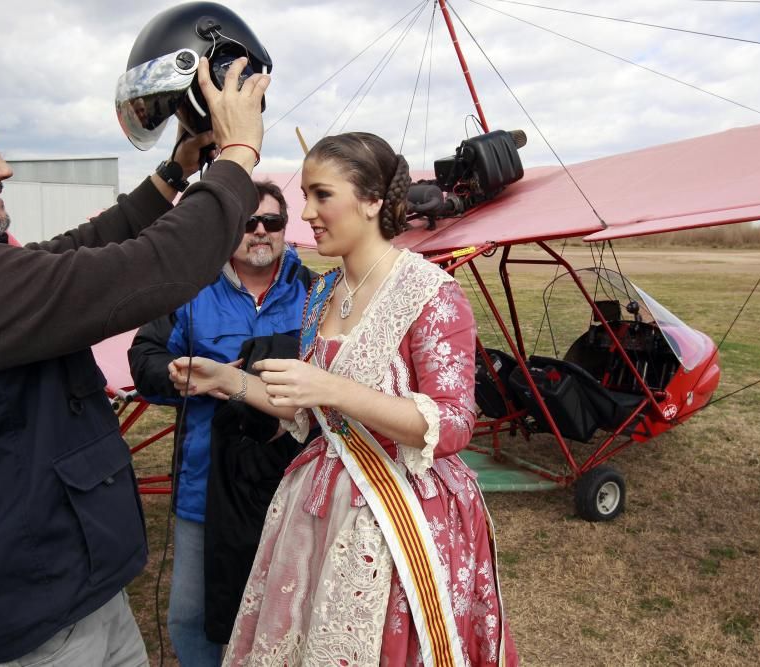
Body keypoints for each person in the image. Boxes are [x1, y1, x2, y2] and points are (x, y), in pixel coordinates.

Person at [0, 55, 268, 667]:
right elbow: (152, 270)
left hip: (53, 591)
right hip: (32, 622)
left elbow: (72, 254)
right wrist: (236, 157)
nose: (5, 167)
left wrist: (175, 174)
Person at [169, 132, 518, 666]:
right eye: (306, 196)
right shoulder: (322, 296)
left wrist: (335, 388)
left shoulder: (431, 294)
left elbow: (452, 425)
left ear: (373, 200)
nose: (306, 212)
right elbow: (307, 409)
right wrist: (225, 378)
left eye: (321, 195)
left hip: (403, 513)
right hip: (324, 503)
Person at [127, 180, 312, 664]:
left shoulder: (314, 293)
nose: (259, 232)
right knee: (190, 614)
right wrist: (177, 376)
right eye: (247, 223)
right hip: (203, 482)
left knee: (292, 605)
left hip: (291, 481)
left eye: (271, 222)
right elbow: (143, 356)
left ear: (284, 229)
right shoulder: (189, 289)